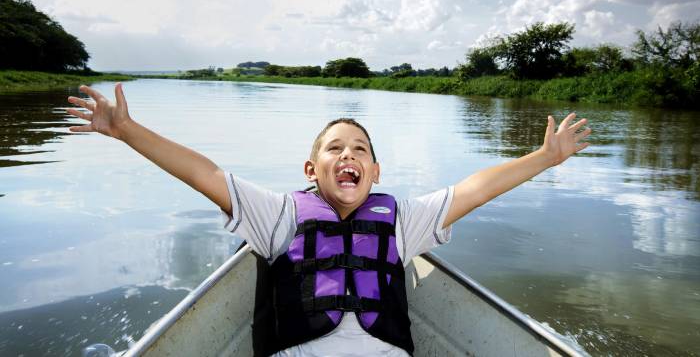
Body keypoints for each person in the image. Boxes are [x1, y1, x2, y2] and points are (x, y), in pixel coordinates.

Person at [66, 83, 591, 357]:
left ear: (375, 170)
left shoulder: (402, 220)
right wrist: (128, 131)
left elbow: (473, 190)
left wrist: (544, 158)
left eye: (359, 149)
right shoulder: (278, 214)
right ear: (311, 170)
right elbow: (206, 174)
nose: (349, 155)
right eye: (334, 148)